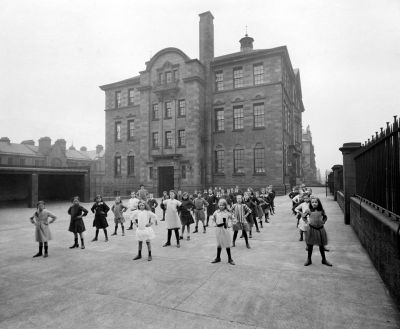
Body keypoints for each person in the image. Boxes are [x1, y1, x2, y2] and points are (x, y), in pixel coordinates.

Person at [304, 196, 332, 267]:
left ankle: (324, 259)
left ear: (318, 203)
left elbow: (325, 217)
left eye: (316, 202)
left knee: (321, 245)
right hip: (312, 229)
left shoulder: (321, 210)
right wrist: (307, 222)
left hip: (320, 229)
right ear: (310, 203)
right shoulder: (309, 210)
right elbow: (303, 216)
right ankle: (309, 259)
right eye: (312, 202)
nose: (314, 203)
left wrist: (323, 222)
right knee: (310, 245)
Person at [211, 199, 235, 265]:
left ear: (225, 205)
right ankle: (218, 258)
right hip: (218, 229)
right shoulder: (216, 212)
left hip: (225, 229)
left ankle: (230, 258)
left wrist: (229, 224)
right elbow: (213, 218)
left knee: (227, 243)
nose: (221, 206)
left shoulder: (227, 212)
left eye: (223, 205)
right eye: (220, 205)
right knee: (219, 244)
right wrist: (214, 224)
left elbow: (232, 218)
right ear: (218, 205)